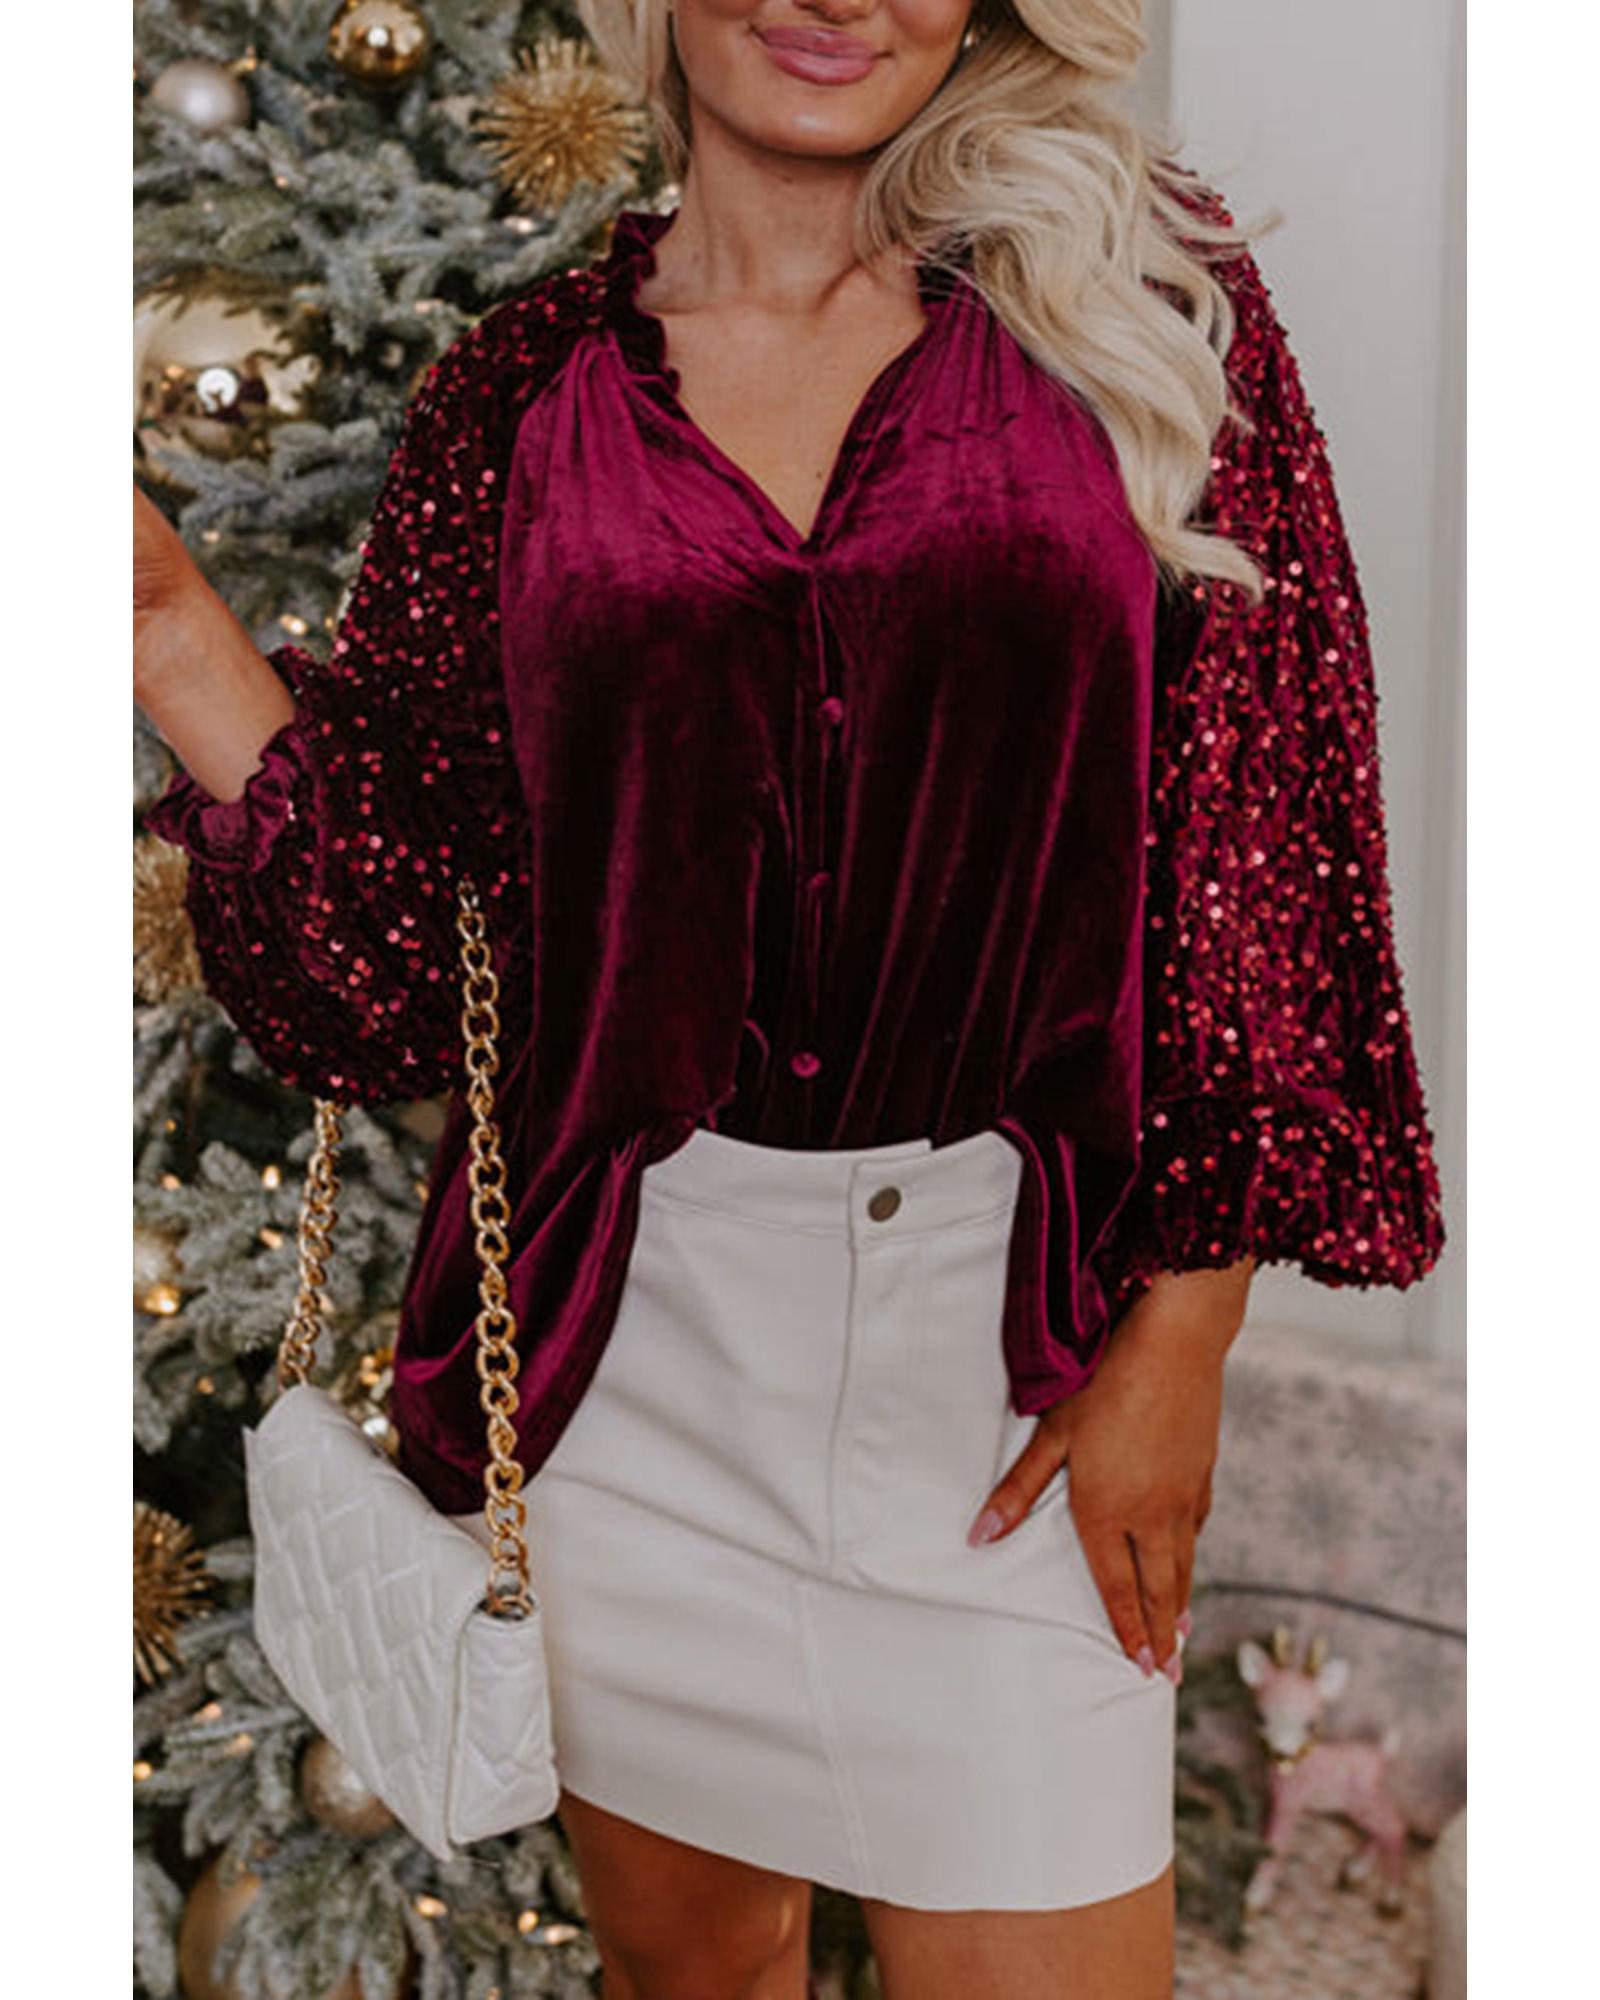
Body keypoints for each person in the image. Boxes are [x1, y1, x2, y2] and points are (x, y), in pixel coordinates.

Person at [133, 0, 1446, 1992]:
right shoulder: (513, 402)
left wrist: (1182, 1336)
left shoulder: (1146, 305)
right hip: (630, 1378)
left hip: (1005, 1384)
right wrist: (161, 624)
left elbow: (1263, 834)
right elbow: (392, 975)